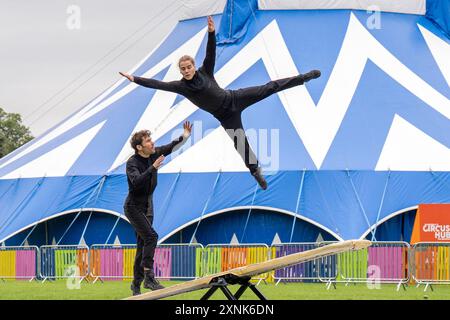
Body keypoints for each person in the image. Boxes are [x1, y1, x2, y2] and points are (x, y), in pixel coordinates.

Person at [120, 16, 320, 190]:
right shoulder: (181, 86)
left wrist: (211, 33)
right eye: (183, 69)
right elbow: (158, 84)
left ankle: (303, 78)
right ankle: (255, 171)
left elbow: (211, 53)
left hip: (234, 98)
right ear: (180, 71)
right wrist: (135, 78)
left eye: (189, 67)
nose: (187, 70)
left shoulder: (205, 71)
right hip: (226, 116)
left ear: (193, 66)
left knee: (268, 87)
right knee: (240, 143)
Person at [124, 121, 192, 296]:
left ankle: (136, 284)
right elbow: (136, 183)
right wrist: (152, 169)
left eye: (150, 139)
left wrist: (184, 136)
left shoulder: (154, 153)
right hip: (133, 207)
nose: (152, 143)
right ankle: (149, 278)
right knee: (151, 237)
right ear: (139, 147)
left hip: (148, 206)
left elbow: (170, 147)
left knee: (143, 245)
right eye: (147, 141)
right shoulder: (132, 162)